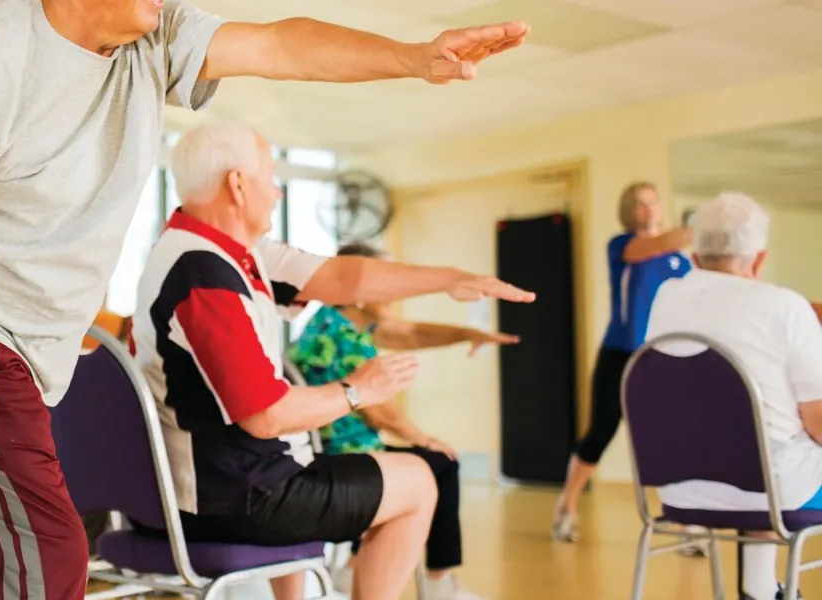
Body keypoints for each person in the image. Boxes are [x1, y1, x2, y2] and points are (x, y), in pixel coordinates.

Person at [0, 1, 530, 597]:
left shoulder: (152, 35)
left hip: (18, 339)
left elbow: (281, 44)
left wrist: (414, 58)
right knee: (46, 553)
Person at [129, 123, 533, 600]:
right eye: (271, 177)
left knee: (314, 459)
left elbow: (345, 278)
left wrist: (449, 279)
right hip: (230, 500)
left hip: (199, 490)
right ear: (238, 184)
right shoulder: (205, 275)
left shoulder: (219, 252)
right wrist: (359, 390)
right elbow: (266, 415)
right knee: (421, 482)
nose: (277, 192)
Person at [287, 242, 518, 600]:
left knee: (429, 460)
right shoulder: (344, 338)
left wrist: (467, 334)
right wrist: (425, 439)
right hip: (342, 457)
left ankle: (354, 568)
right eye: (387, 283)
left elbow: (411, 333)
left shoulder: (333, 323)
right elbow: (377, 410)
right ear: (360, 293)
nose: (394, 294)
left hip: (334, 449)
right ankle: (440, 583)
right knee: (442, 463)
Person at [645, 193, 822, 600]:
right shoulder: (784, 307)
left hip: (678, 490)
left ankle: (759, 589)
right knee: (775, 451)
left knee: (757, 444)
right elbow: (817, 422)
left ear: (694, 256)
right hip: (772, 490)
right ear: (758, 260)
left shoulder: (665, 299)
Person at [552, 181, 692, 543]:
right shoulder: (623, 246)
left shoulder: (680, 261)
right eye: (640, 203)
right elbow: (651, 246)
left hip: (662, 356)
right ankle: (567, 504)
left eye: (652, 202)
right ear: (629, 210)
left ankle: (687, 518)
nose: (648, 209)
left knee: (674, 434)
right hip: (620, 353)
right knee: (601, 430)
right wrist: (700, 231)